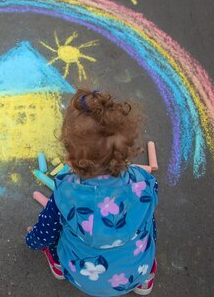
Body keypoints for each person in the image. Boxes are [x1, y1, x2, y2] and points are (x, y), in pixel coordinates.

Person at [25, 88, 158, 296]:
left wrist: (31, 241)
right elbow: (150, 224)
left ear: (70, 159)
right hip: (136, 271)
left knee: (54, 236)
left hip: (84, 277)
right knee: (145, 228)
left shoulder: (65, 192)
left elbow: (45, 232)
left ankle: (59, 267)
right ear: (126, 153)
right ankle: (144, 281)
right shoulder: (144, 183)